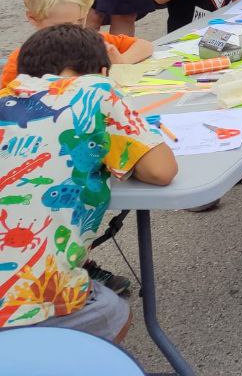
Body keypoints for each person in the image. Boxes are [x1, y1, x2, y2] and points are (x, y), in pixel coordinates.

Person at [0, 24, 177, 338]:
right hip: (23, 305)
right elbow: (161, 171)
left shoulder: (6, 96)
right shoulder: (97, 91)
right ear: (102, 72)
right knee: (114, 311)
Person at [2, 0, 153, 88]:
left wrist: (122, 61)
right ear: (33, 18)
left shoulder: (92, 42)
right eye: (63, 25)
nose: (73, 29)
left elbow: (145, 46)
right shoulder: (21, 60)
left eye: (80, 21)